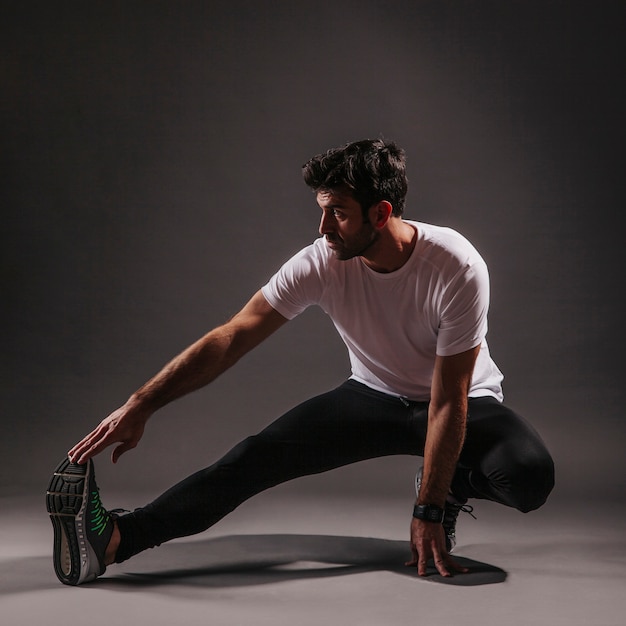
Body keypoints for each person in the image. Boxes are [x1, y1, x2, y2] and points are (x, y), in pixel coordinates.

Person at [46, 138, 554, 586]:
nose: (323, 226)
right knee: (251, 458)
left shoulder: (456, 266)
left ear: (380, 213)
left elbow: (447, 400)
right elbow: (233, 335)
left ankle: (441, 478)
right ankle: (114, 539)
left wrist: (432, 505)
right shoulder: (322, 261)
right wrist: (142, 404)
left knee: (529, 478)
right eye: (322, 210)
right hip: (372, 396)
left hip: (462, 400)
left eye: (338, 212)